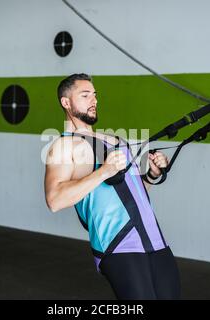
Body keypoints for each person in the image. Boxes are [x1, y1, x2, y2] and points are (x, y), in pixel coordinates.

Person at [44, 73, 180, 299]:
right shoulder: (63, 146)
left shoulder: (116, 141)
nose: (94, 101)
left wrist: (151, 175)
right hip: (118, 245)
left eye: (95, 95)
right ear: (66, 102)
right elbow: (54, 200)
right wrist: (103, 171)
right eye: (85, 95)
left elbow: (134, 195)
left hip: (155, 241)